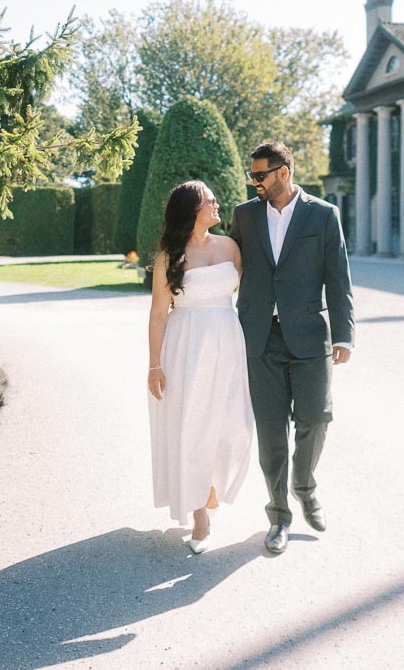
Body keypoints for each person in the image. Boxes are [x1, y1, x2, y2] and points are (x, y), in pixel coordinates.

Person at [229, 142, 354, 555]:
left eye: (259, 175)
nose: (254, 183)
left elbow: (338, 278)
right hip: (260, 338)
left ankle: (305, 484)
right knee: (271, 432)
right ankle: (278, 516)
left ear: (283, 172)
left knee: (316, 417)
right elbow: (225, 266)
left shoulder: (323, 215)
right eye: (252, 176)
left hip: (309, 337)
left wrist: (343, 334)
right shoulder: (244, 216)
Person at [147, 181, 255, 554]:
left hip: (227, 342)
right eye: (210, 201)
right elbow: (159, 314)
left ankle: (210, 486)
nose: (217, 204)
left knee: (233, 424)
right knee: (191, 426)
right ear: (191, 211)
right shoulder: (169, 257)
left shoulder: (230, 247)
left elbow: (253, 293)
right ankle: (199, 516)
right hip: (186, 346)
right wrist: (154, 365)